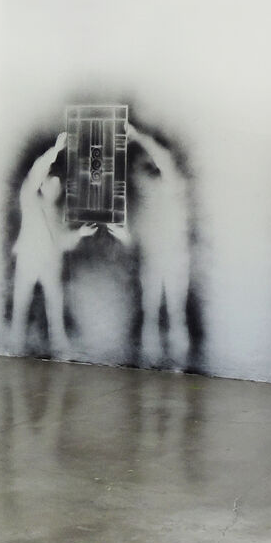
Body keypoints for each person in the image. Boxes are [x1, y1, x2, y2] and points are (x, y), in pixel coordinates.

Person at [7, 132, 97, 354]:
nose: (54, 188)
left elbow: (63, 242)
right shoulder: (28, 199)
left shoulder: (59, 214)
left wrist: (81, 234)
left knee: (55, 305)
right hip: (29, 261)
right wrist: (55, 151)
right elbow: (34, 174)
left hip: (49, 263)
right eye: (50, 183)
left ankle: (59, 344)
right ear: (42, 184)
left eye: (58, 186)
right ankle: (15, 344)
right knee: (21, 304)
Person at [114, 121, 193, 369]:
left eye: (149, 169)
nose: (144, 176)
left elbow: (164, 158)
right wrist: (121, 233)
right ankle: (151, 368)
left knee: (175, 315)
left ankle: (179, 368)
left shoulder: (173, 186)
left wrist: (138, 136)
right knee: (150, 315)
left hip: (174, 260)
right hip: (154, 261)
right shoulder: (146, 207)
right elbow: (134, 238)